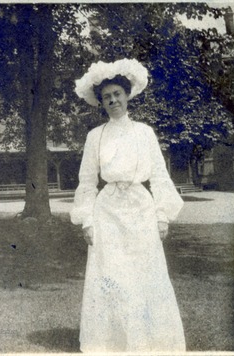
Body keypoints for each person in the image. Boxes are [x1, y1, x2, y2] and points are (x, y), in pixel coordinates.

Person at [70, 58, 186, 353]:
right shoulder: (94, 137)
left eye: (117, 94)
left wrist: (162, 216)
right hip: (107, 210)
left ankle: (149, 340)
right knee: (111, 274)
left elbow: (159, 175)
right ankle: (112, 342)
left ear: (127, 95)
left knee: (144, 273)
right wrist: (87, 220)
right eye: (107, 97)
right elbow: (86, 181)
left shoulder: (144, 132)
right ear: (101, 102)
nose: (112, 100)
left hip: (140, 207)